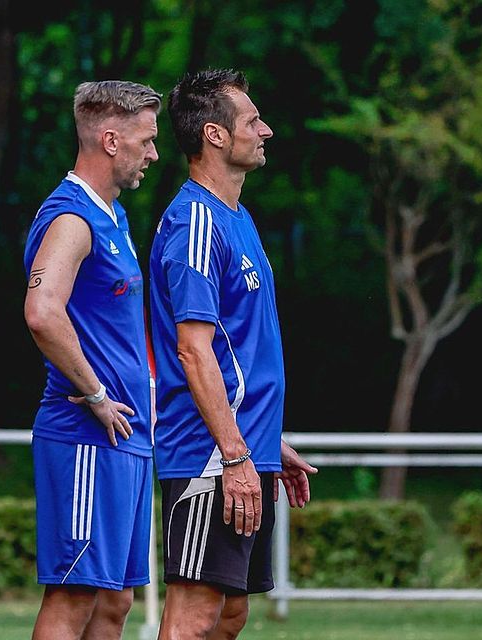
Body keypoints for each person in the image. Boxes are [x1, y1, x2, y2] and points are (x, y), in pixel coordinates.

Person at [148, 69, 318, 639]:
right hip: (209, 454)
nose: (265, 130)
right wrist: (235, 453)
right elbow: (194, 352)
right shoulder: (195, 221)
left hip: (244, 447)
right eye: (252, 121)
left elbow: (237, 350)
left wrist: (267, 442)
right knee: (193, 619)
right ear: (216, 135)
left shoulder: (237, 219)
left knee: (229, 614)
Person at [23, 80, 160, 640]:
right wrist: (99, 395)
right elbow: (41, 311)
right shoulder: (72, 218)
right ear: (110, 140)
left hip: (125, 437)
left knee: (115, 602)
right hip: (85, 434)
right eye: (146, 141)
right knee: (75, 594)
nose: (153, 153)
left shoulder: (113, 217)